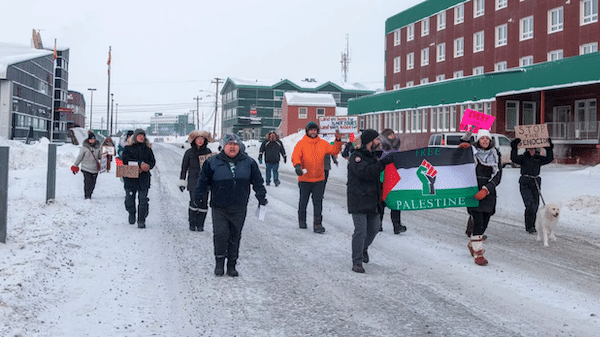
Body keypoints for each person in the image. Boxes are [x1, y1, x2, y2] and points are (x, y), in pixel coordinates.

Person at [194, 134, 267, 277]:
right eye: (229, 144)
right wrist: (199, 196)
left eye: (235, 144)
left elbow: (257, 182)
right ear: (223, 146)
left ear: (239, 146)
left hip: (239, 206)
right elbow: (202, 182)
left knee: (235, 235)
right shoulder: (212, 162)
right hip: (219, 206)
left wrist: (261, 196)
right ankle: (219, 263)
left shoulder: (249, 162)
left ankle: (232, 265)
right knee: (220, 234)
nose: (232, 147)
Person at [458, 128, 502, 266]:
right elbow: (459, 156)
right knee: (477, 221)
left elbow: (498, 175)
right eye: (482, 138)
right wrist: (464, 144)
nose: (485, 140)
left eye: (487, 138)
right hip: (474, 191)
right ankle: (478, 253)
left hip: (488, 192)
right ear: (478, 140)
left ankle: (472, 244)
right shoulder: (472, 152)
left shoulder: (495, 154)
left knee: (485, 223)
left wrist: (487, 189)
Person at [347, 129, 388, 273]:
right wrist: (382, 164)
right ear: (369, 141)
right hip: (358, 199)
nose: (379, 142)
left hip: (373, 199)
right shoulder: (356, 157)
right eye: (377, 139)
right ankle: (357, 261)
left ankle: (363, 248)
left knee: (374, 228)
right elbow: (365, 173)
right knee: (361, 231)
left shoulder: (373, 156)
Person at [291, 121, 342, 233]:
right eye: (311, 130)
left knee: (318, 202)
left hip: (319, 179)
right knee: (303, 201)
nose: (313, 132)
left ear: (317, 131)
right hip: (305, 178)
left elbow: (334, 150)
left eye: (315, 130)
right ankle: (302, 220)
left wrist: (338, 140)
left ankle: (317, 224)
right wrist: (297, 165)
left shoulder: (323, 144)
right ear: (307, 131)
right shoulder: (301, 144)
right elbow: (296, 156)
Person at [510, 137, 554, 234]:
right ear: (527, 149)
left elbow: (549, 158)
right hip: (525, 183)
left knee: (535, 205)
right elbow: (513, 158)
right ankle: (529, 226)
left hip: (535, 183)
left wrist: (549, 148)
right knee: (530, 205)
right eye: (530, 149)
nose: (531, 151)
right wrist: (514, 147)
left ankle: (532, 225)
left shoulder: (539, 158)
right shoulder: (523, 158)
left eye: (533, 149)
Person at [121, 129, 156, 229]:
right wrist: (139, 164)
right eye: (139, 135)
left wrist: (148, 166)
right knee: (129, 200)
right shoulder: (128, 148)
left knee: (143, 200)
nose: (141, 137)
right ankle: (131, 213)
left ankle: (141, 220)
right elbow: (125, 160)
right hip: (130, 178)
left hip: (143, 178)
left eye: (143, 136)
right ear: (135, 137)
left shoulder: (148, 149)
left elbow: (152, 161)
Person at [179, 130, 213, 232]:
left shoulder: (208, 152)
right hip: (193, 180)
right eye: (198, 139)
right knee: (194, 202)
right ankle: (192, 223)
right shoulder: (189, 153)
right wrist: (182, 181)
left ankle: (200, 224)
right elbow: (184, 167)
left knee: (204, 203)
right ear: (194, 140)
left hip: (205, 182)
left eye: (202, 139)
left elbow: (213, 168)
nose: (200, 141)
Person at [378, 129, 407, 234]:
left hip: (394, 178)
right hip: (382, 177)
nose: (392, 136)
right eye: (390, 135)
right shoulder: (380, 148)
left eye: (393, 134)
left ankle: (397, 225)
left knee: (395, 202)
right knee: (381, 202)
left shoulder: (397, 147)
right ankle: (378, 224)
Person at [71, 131, 102, 199]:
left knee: (93, 183)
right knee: (88, 182)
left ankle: (90, 193)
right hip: (86, 168)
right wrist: (75, 165)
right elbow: (80, 157)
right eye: (91, 139)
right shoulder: (84, 147)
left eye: (93, 139)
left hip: (95, 168)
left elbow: (100, 156)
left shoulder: (98, 147)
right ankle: (87, 195)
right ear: (88, 140)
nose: (92, 141)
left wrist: (105, 156)